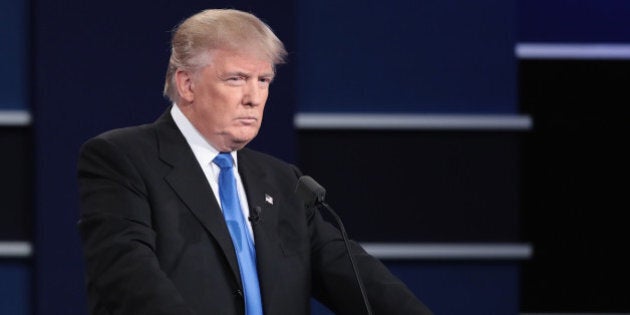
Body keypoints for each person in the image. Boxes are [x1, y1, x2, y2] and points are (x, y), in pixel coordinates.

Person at [77, 8, 433, 315]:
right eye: (236, 79)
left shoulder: (282, 182)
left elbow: (355, 277)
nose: (254, 97)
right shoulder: (123, 159)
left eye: (263, 80)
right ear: (187, 85)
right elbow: (128, 278)